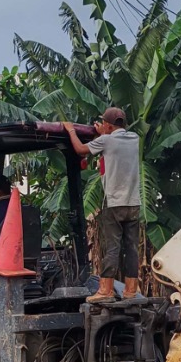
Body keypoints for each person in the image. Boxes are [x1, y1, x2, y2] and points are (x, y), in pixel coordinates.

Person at [64, 106, 142, 303]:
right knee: (131, 247)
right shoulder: (134, 139)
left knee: (113, 247)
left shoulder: (106, 141)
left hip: (114, 203)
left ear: (107, 125)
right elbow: (114, 146)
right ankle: (131, 290)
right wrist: (103, 134)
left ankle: (106, 290)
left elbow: (80, 149)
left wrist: (71, 130)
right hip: (133, 203)